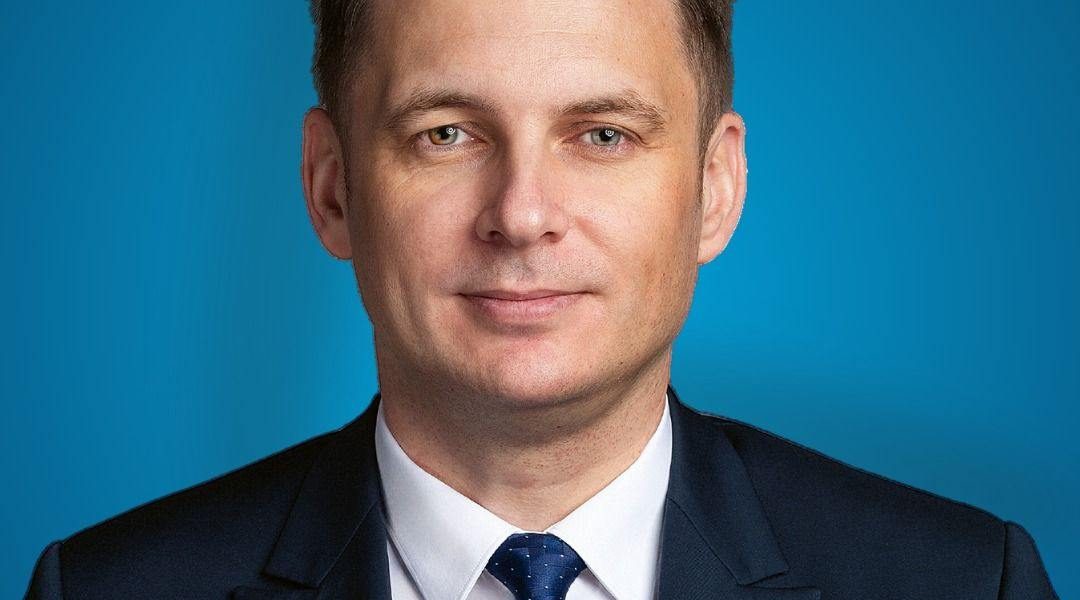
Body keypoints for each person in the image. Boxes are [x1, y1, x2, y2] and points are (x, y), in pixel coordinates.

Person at [25, 1, 1059, 598]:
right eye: (446, 134)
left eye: (603, 134)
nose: (521, 216)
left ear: (715, 189)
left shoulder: (967, 585)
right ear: (331, 188)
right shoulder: (105, 591)